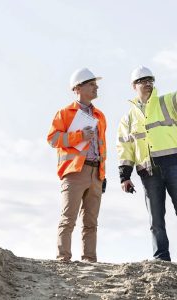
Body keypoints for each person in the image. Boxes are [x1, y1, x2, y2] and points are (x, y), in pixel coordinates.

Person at [117, 65, 177, 267]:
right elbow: (125, 147)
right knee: (156, 220)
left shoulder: (165, 102)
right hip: (148, 172)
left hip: (174, 165)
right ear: (134, 86)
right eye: (144, 81)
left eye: (151, 80)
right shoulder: (128, 119)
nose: (149, 84)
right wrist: (125, 176)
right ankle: (161, 259)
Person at [47, 67, 107, 262]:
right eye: (91, 84)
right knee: (69, 218)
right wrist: (79, 136)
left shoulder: (100, 116)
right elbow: (53, 139)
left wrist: (102, 174)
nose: (96, 87)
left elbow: (102, 147)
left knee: (91, 221)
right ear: (78, 88)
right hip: (74, 173)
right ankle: (63, 258)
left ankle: (89, 259)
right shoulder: (64, 113)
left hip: (95, 173)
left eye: (95, 84)